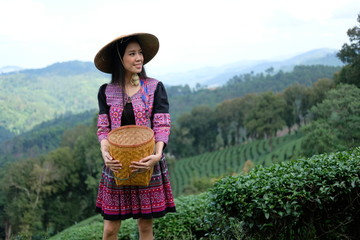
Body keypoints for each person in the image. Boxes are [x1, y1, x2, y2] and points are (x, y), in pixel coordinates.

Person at [93, 33, 176, 240]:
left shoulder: (154, 87)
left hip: (146, 162)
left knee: (145, 227)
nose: (139, 58)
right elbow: (103, 127)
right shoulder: (106, 91)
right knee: (110, 229)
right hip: (117, 164)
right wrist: (104, 152)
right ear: (120, 59)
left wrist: (157, 155)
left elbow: (162, 123)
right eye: (132, 53)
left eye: (140, 53)